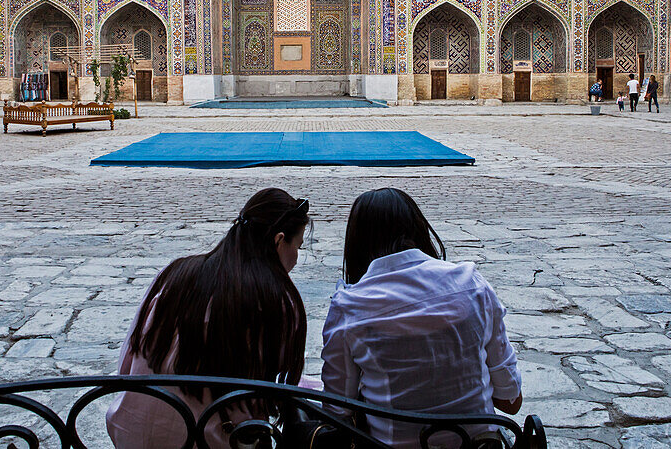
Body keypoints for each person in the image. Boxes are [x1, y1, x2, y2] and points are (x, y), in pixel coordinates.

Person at [106, 188, 310, 449]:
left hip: (134, 431)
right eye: (298, 247)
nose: (296, 258)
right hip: (211, 438)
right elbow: (268, 382)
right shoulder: (275, 301)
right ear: (278, 240)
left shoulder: (173, 274)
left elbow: (130, 358)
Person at [321, 188, 522, 449]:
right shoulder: (472, 285)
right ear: (418, 229)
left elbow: (338, 409)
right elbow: (510, 399)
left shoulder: (350, 307)